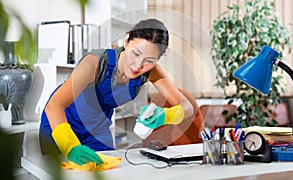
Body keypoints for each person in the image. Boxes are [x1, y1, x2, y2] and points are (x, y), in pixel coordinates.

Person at [39, 18, 194, 166]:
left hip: (97, 129)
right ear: (126, 42)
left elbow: (187, 108)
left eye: (149, 60)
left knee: (108, 173)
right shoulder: (95, 62)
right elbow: (54, 106)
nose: (138, 65)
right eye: (136, 53)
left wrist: (165, 115)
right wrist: (70, 146)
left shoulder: (151, 72)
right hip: (61, 123)